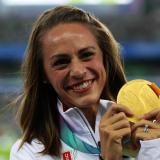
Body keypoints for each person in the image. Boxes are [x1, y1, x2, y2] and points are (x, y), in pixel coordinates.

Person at [10, 5, 160, 160]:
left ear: (104, 58)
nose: (78, 71)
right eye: (61, 62)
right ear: (43, 75)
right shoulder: (28, 153)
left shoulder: (150, 126)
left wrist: (154, 152)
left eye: (87, 55)